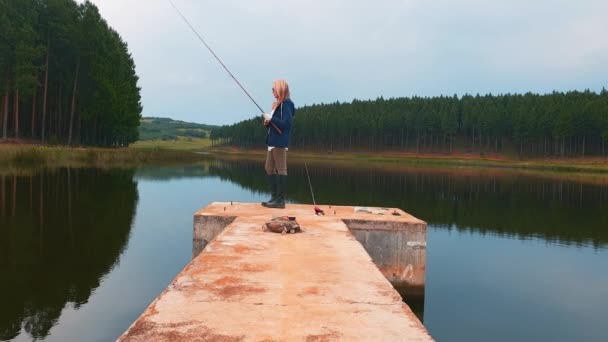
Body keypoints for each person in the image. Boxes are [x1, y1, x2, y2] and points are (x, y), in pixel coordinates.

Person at [261, 79, 295, 209]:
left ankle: (280, 201)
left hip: (280, 142)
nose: (272, 91)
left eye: (274, 89)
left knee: (281, 169)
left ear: (280, 89)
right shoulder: (278, 104)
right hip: (273, 142)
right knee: (269, 168)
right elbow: (277, 123)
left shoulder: (286, 104)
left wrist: (271, 118)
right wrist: (268, 123)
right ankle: (274, 198)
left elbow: (287, 124)